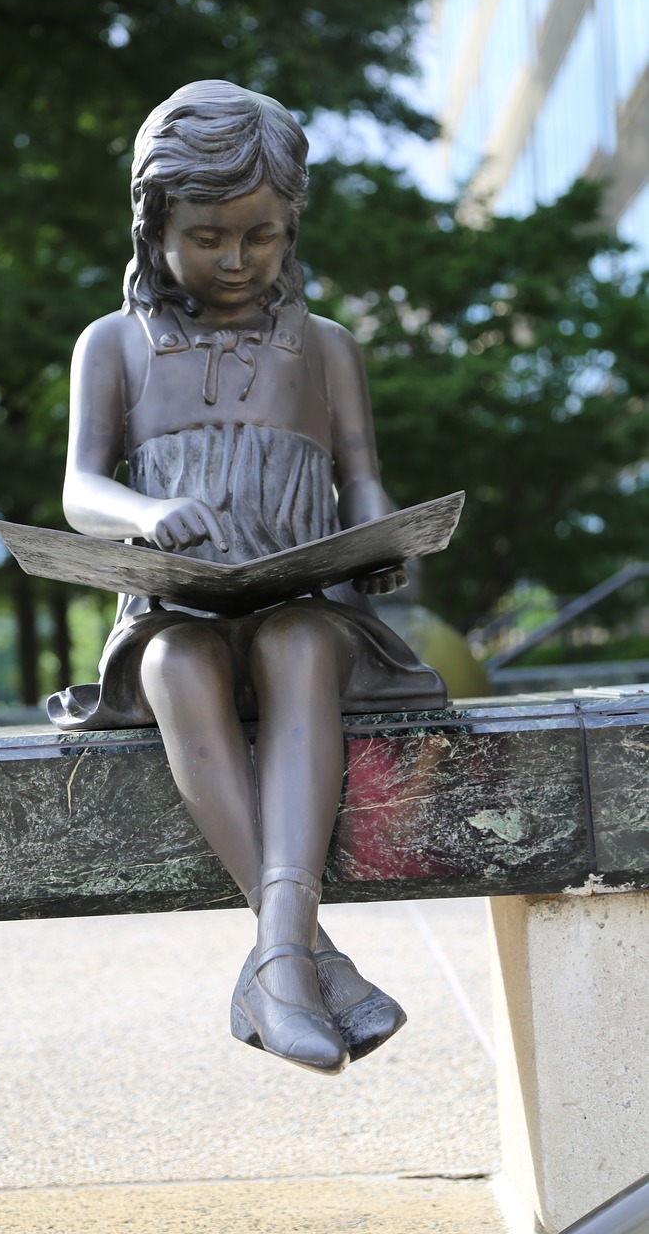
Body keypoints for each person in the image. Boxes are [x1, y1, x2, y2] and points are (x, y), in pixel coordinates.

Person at [49, 80, 446, 1075]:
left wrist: (379, 538)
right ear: (153, 226)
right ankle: (305, 957)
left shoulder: (326, 350)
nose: (234, 260)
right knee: (176, 664)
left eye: (260, 236)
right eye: (207, 237)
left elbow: (361, 479)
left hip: (306, 602)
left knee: (301, 637)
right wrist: (144, 515)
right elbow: (79, 487)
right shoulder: (113, 346)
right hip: (170, 608)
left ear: (291, 224)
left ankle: (276, 961)